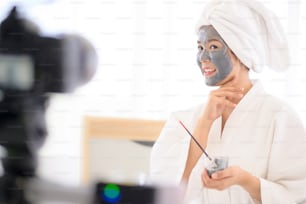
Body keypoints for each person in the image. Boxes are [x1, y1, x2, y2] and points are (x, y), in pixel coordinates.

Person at [149, 0, 306, 203]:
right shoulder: (184, 119)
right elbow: (163, 191)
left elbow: (298, 194)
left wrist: (245, 180)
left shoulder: (280, 117)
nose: (203, 57)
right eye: (199, 47)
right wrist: (204, 124)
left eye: (213, 46)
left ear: (242, 51)